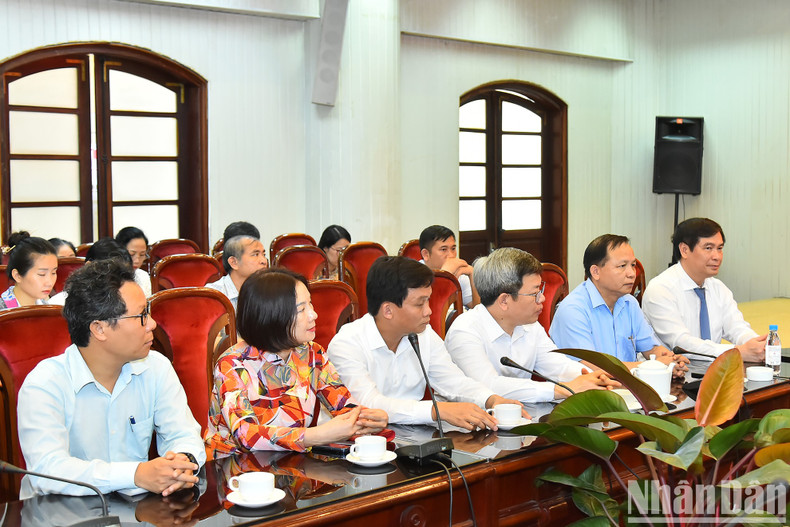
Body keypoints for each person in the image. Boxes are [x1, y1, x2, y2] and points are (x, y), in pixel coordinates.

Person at [17, 259, 205, 497]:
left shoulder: (156, 368)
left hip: (137, 511)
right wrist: (135, 474)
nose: (153, 324)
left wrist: (182, 462)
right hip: (62, 514)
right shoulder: (45, 384)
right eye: (141, 316)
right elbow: (49, 470)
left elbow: (184, 434)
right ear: (99, 329)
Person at [327, 256, 526, 431]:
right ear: (388, 310)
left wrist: (491, 399)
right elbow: (369, 404)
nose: (429, 311)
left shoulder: (423, 334)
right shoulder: (346, 344)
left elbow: (453, 382)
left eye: (428, 301)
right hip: (365, 448)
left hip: (415, 436)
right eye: (419, 303)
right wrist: (436, 410)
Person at [205, 268, 388, 455]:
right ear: (271, 316)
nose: (314, 315)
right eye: (302, 309)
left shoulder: (312, 353)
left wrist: (368, 419)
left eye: (311, 304)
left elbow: (343, 407)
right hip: (234, 471)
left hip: (292, 466)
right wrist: (314, 435)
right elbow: (246, 434)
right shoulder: (232, 364)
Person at [445, 248, 617, 402]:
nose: (542, 299)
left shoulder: (530, 326)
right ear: (504, 300)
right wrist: (561, 389)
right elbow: (488, 386)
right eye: (535, 293)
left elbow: (557, 365)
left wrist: (592, 377)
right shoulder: (465, 330)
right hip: (467, 431)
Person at [550, 234, 687, 375]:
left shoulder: (629, 303)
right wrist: (653, 366)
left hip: (627, 390)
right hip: (586, 393)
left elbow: (651, 348)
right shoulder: (573, 310)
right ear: (596, 272)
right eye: (622, 266)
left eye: (632, 265)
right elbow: (590, 368)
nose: (632, 273)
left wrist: (670, 361)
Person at [642, 218, 765, 361]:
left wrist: (757, 344)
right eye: (708, 248)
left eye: (719, 248)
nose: (717, 256)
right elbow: (681, 343)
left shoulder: (718, 288)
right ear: (684, 250)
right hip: (672, 375)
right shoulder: (661, 289)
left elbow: (737, 328)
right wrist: (736, 352)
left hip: (712, 372)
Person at [419, 225, 480, 308]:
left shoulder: (459, 273)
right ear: (426, 254)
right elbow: (427, 311)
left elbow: (478, 310)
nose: (451, 255)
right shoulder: (413, 275)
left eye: (453, 248)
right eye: (444, 249)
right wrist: (445, 274)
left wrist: (472, 275)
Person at [205, 235, 268, 310]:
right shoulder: (213, 295)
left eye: (264, 255)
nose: (264, 261)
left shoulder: (268, 290)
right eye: (255, 255)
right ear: (234, 262)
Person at [0, 231, 57, 309]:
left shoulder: (50, 310)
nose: (49, 282)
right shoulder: (2, 312)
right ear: (17, 276)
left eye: (53, 273)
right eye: (42, 274)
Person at [115, 226, 152, 297]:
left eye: (142, 255)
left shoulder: (143, 276)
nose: (137, 261)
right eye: (131, 254)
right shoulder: (109, 277)